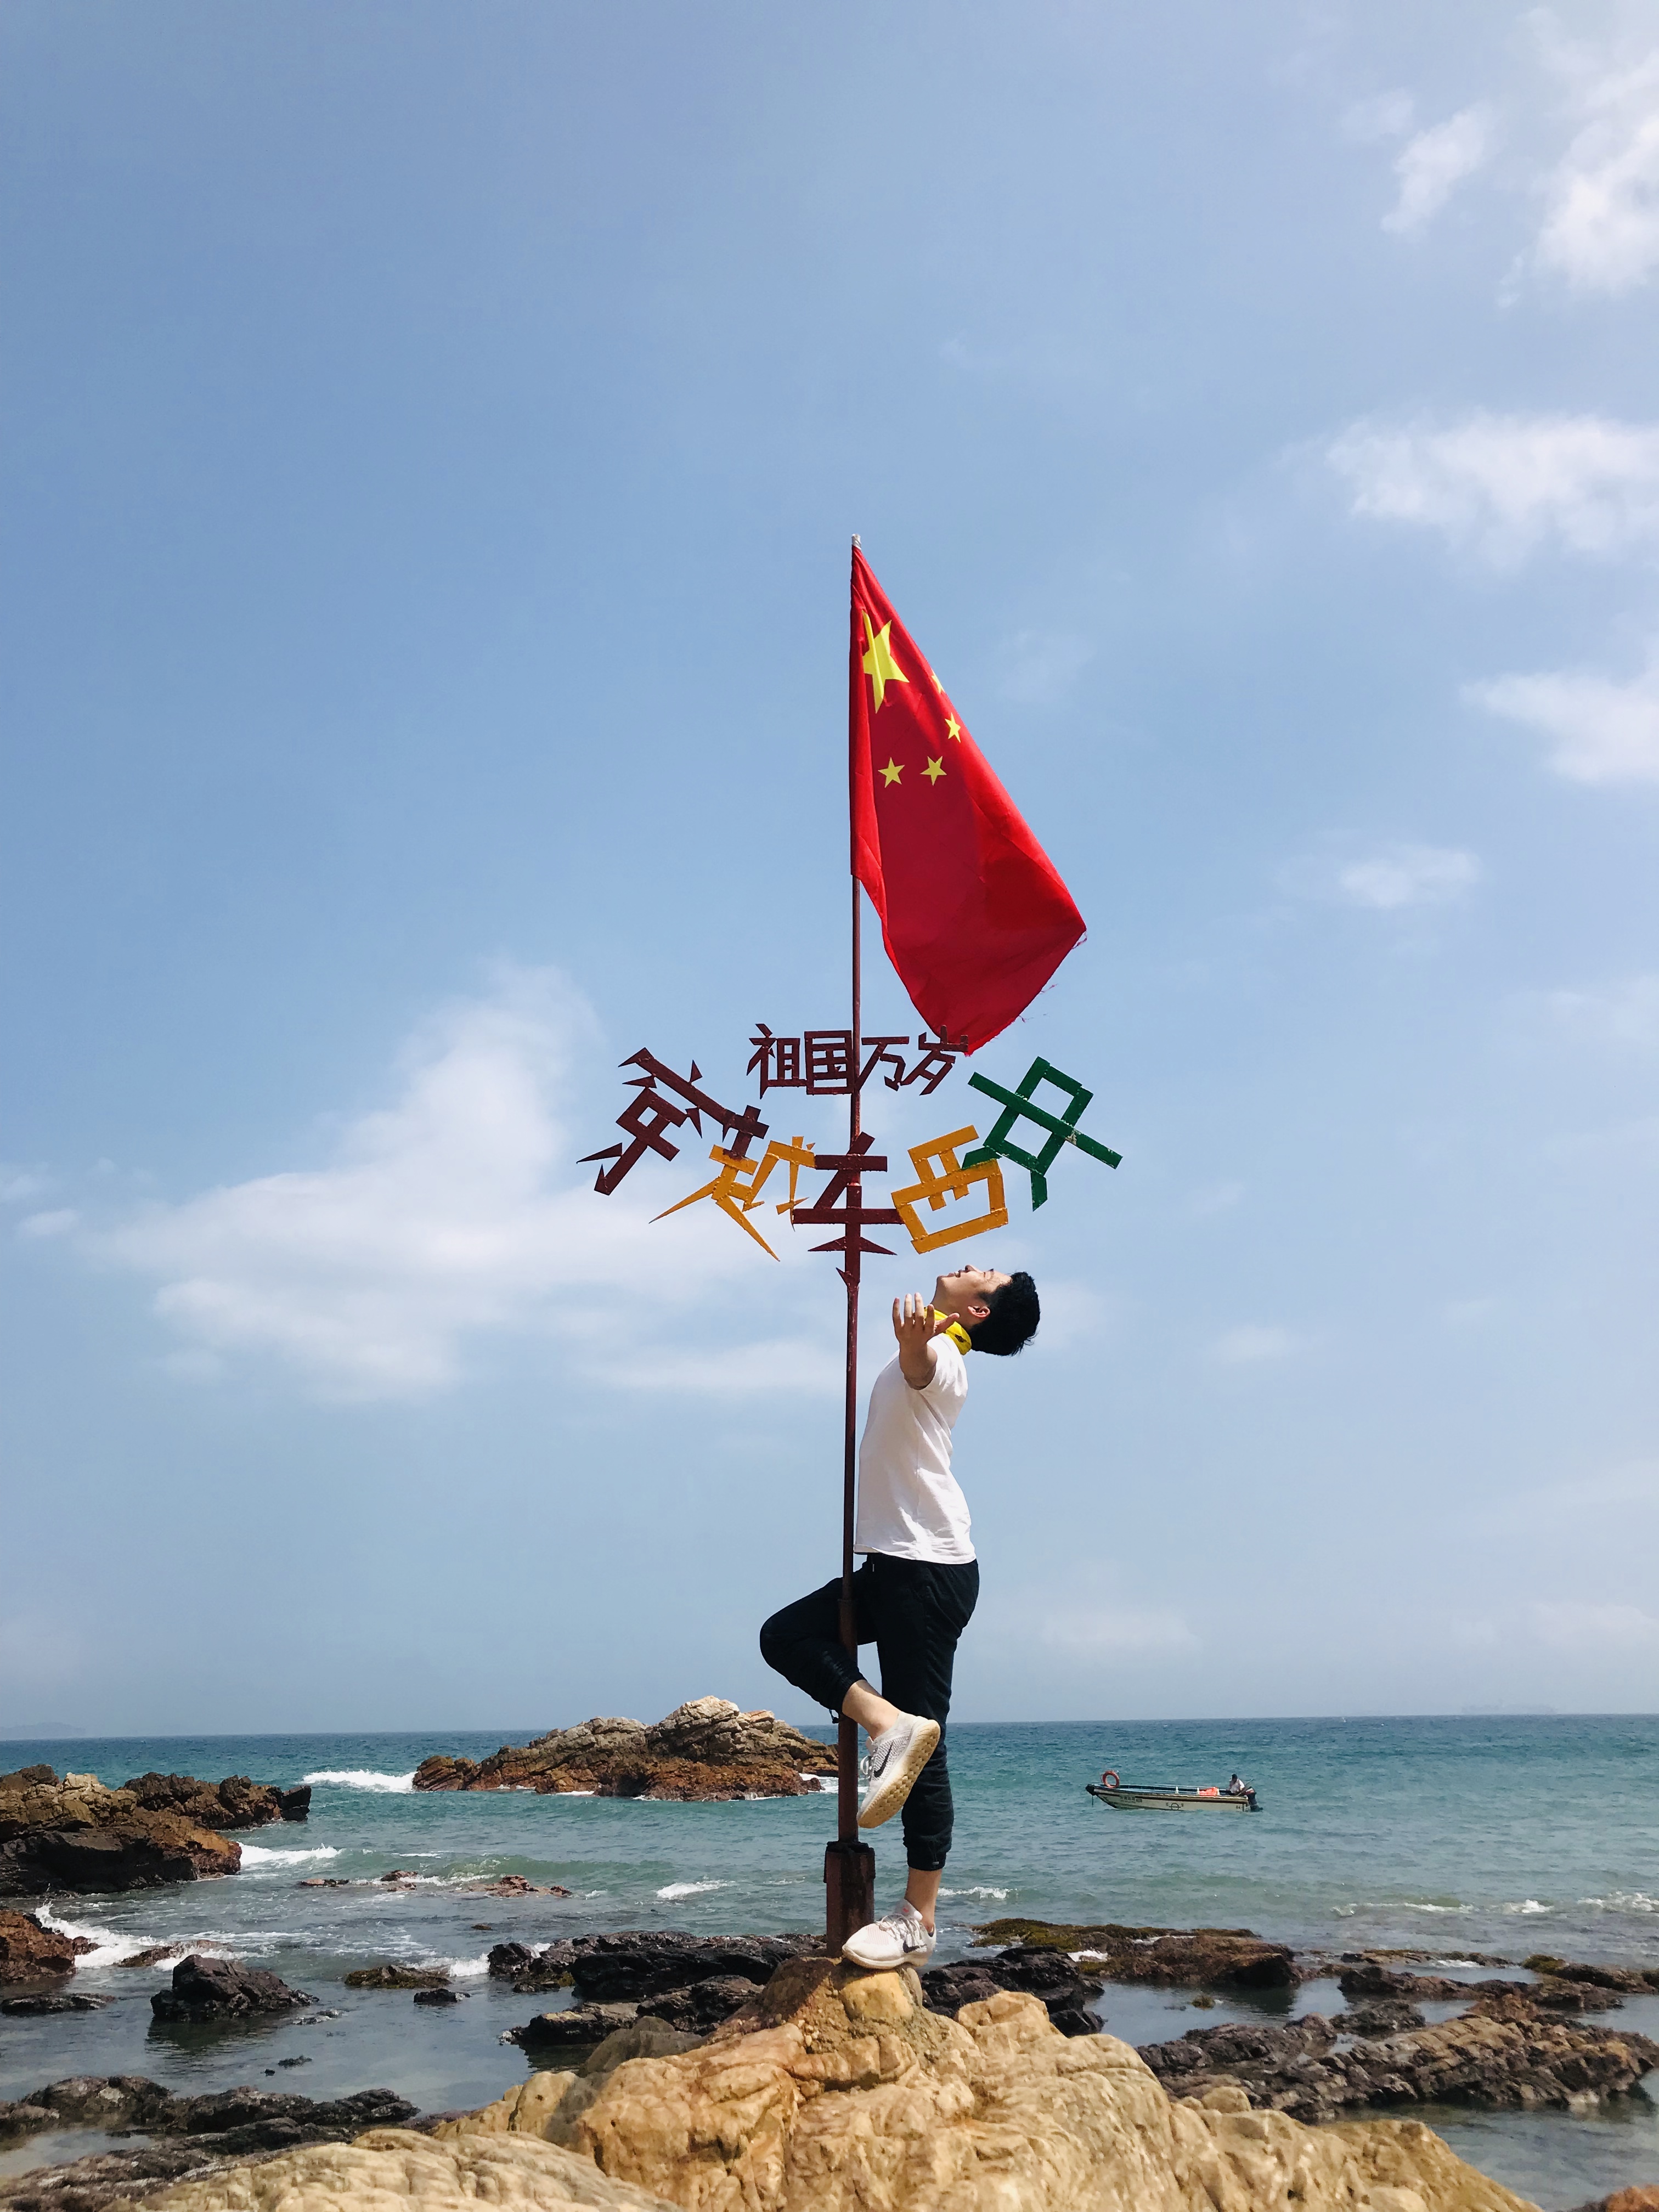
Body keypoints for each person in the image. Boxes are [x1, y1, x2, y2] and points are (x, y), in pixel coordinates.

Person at [759, 1262, 1041, 1970]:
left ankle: (919, 1918)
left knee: (928, 1749)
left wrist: (915, 1344)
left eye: (985, 1274)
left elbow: (923, 1369)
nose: (971, 1264)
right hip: (894, 1566)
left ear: (979, 1310)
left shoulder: (946, 1357)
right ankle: (887, 1725)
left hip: (929, 1570)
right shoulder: (939, 1343)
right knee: (785, 1635)